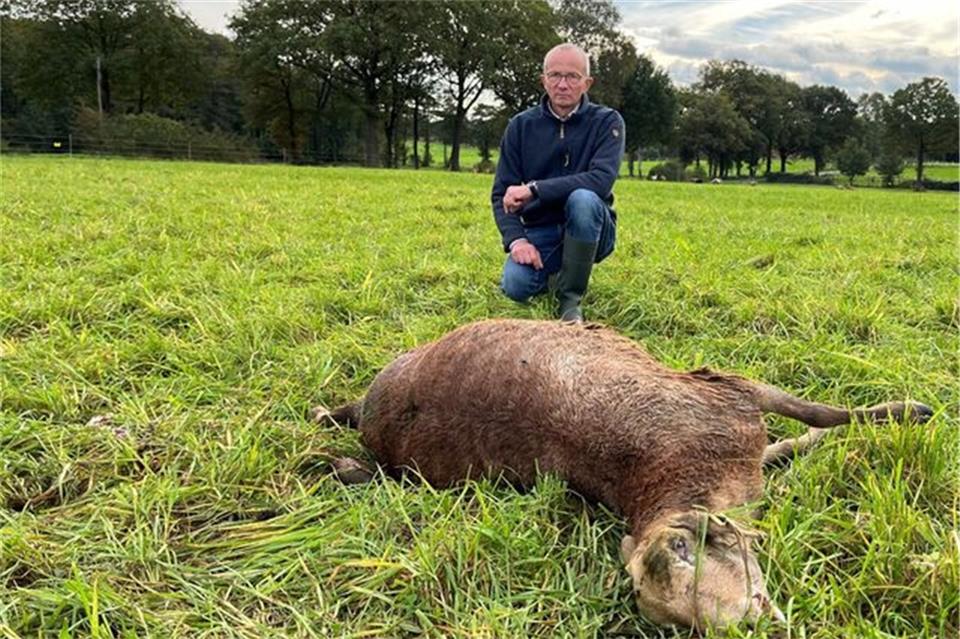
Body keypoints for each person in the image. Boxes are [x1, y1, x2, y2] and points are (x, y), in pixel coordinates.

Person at [492, 43, 625, 322]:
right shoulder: (520, 126)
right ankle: (561, 270)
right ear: (543, 80)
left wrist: (534, 189)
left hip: (594, 227)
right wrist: (517, 241)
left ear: (587, 83)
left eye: (573, 77)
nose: (562, 84)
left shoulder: (607, 122)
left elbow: (600, 181)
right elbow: (501, 195)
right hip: (543, 230)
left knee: (583, 198)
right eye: (554, 75)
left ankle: (570, 301)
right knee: (515, 286)